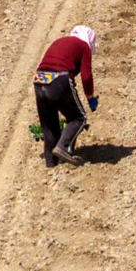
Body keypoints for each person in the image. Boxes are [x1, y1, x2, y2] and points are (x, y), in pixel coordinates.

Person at [33, 26, 98, 167]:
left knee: (50, 127)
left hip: (39, 80)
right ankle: (63, 147)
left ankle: (51, 165)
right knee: (78, 118)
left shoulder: (60, 41)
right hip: (59, 79)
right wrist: (91, 98)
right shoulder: (83, 46)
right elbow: (86, 77)